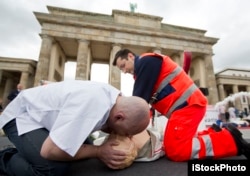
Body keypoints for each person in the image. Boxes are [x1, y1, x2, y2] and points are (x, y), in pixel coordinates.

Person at [112, 48, 250, 161]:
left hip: (188, 106)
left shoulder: (146, 62)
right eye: (121, 69)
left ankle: (231, 141)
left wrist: (122, 127)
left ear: (130, 56)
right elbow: (143, 102)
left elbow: (138, 102)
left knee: (175, 150)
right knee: (174, 143)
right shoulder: (145, 67)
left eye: (123, 66)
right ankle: (216, 133)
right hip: (185, 107)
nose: (124, 71)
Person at [0, 80, 151, 175]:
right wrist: (99, 151)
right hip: (23, 116)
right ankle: (5, 157)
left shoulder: (114, 99)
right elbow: (49, 151)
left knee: (82, 155)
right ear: (119, 117)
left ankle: (27, 150)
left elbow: (102, 122)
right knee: (53, 169)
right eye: (127, 132)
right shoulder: (90, 106)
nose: (127, 136)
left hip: (50, 120)